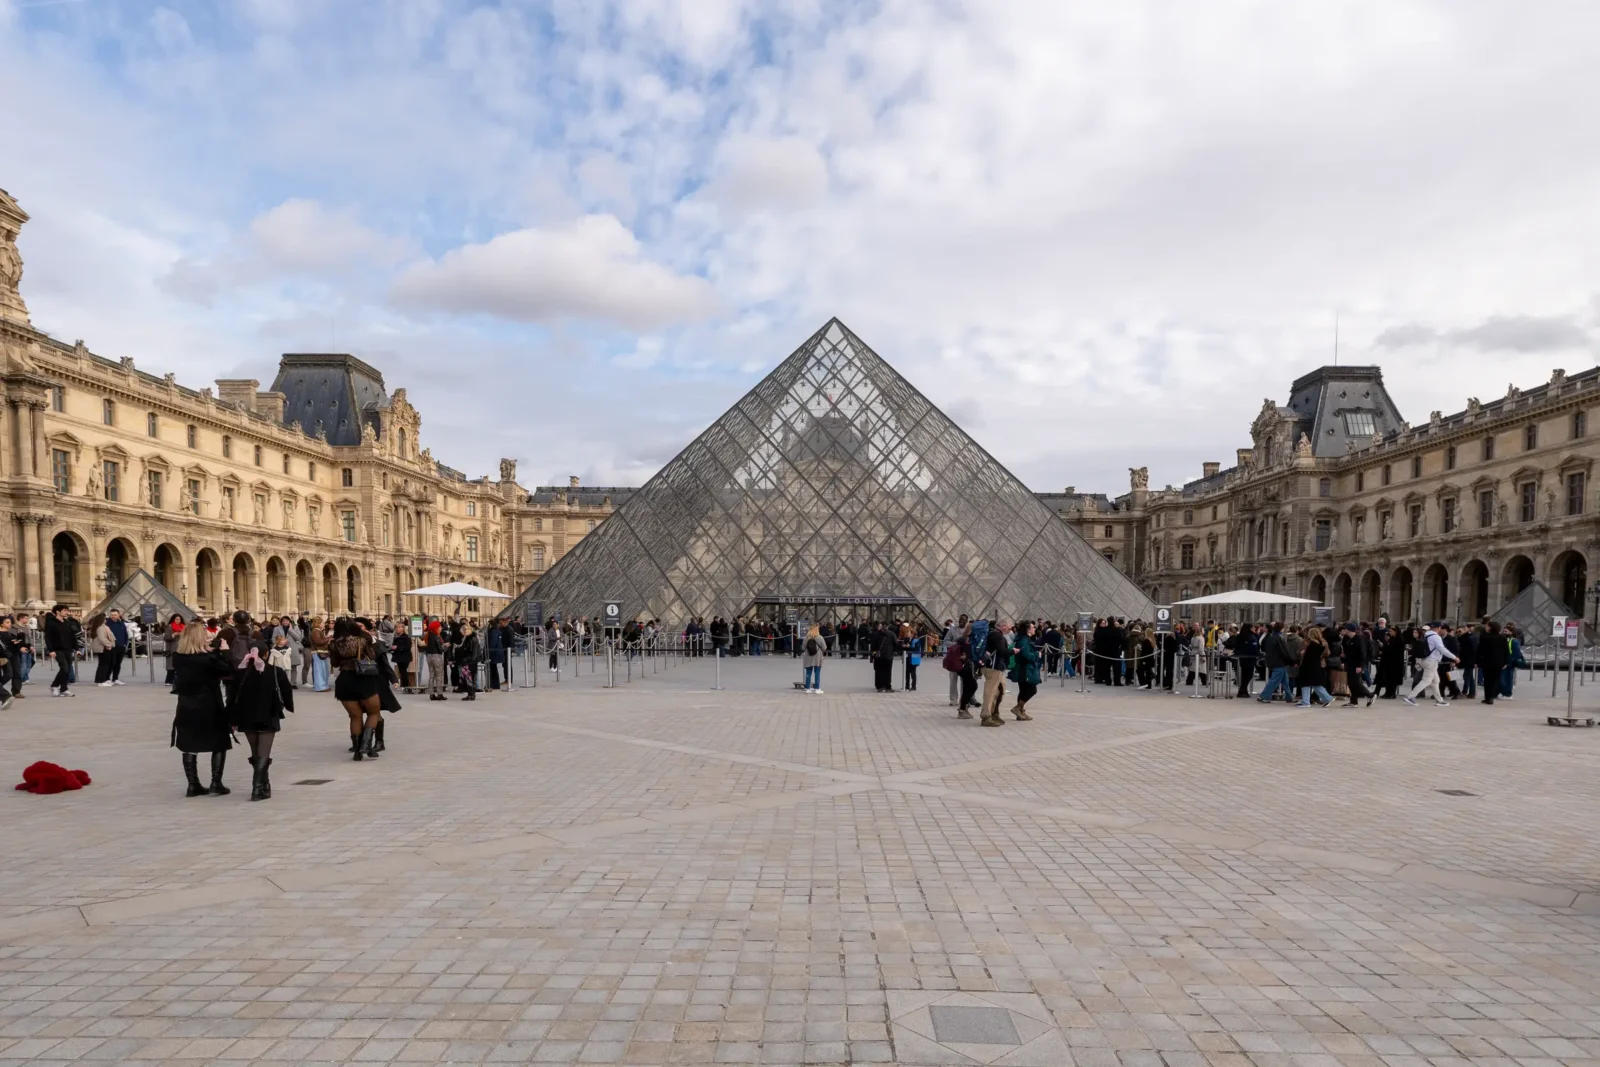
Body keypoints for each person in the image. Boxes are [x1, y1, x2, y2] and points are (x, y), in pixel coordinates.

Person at [171, 621, 234, 797]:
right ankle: (216, 782)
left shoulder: (178, 657)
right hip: (209, 704)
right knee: (219, 741)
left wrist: (210, 652)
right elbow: (228, 670)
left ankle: (193, 784)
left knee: (189, 743)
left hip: (186, 705)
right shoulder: (208, 659)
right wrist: (224, 651)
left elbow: (195, 661)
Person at [231, 622, 293, 800]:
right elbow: (287, 692)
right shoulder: (275, 672)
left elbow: (232, 697)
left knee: (256, 753)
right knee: (263, 754)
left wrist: (232, 719)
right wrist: (288, 706)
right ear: (266, 654)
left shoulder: (241, 673)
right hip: (268, 715)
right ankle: (258, 788)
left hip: (246, 717)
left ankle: (263, 783)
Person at [329, 618, 382, 759]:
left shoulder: (334, 643)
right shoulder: (361, 640)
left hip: (345, 680)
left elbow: (334, 663)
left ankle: (357, 752)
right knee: (373, 713)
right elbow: (371, 656)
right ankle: (366, 745)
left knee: (355, 716)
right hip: (363, 679)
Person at [1401, 621, 1458, 707]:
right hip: (1432, 661)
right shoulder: (1436, 637)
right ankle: (1411, 697)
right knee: (1426, 680)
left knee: (1436, 681)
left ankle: (1439, 700)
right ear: (1438, 628)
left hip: (1424, 659)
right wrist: (1454, 657)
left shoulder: (1425, 635)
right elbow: (1442, 649)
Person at [979, 618, 1012, 726]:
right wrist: (1013, 651)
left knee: (1000, 690)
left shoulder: (991, 633)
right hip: (993, 667)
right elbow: (1002, 652)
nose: (1010, 630)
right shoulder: (998, 636)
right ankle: (986, 716)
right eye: (1009, 628)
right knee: (991, 692)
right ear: (1004, 627)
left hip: (992, 666)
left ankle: (994, 713)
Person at [1007, 620, 1040, 720]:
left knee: (1023, 690)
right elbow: (1026, 655)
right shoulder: (1024, 640)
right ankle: (1018, 708)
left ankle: (1020, 712)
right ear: (1028, 629)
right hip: (1025, 668)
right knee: (1032, 690)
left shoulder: (1022, 639)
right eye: (1033, 627)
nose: (1035, 629)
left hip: (1022, 667)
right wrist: (1036, 654)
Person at [1294, 627, 1334, 707]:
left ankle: (1306, 702)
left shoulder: (1312, 644)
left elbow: (1308, 658)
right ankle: (1327, 698)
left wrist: (1303, 654)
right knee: (1316, 684)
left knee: (1306, 683)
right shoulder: (1321, 643)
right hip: (1317, 665)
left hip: (1309, 667)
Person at [44, 604, 76, 697]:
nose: (67, 612)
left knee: (68, 669)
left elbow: (71, 635)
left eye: (67, 610)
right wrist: (51, 650)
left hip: (68, 648)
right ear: (57, 611)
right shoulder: (51, 623)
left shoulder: (66, 622)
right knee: (64, 668)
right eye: (65, 610)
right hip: (57, 649)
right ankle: (54, 685)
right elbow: (48, 637)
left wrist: (76, 648)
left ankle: (64, 689)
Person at [1339, 623, 1373, 707]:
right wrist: (1343, 659)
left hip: (1356, 665)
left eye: (1345, 629)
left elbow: (1362, 653)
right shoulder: (1348, 638)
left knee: (1356, 682)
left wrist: (1360, 666)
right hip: (1350, 663)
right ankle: (1353, 701)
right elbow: (1348, 652)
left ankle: (1369, 695)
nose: (1344, 630)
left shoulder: (1359, 639)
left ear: (1349, 629)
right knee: (1351, 682)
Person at [1477, 620, 1508, 704]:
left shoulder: (1484, 637)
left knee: (1487, 680)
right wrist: (1505, 662)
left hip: (1487, 662)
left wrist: (1477, 661)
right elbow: (1506, 651)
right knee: (1495, 680)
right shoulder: (1502, 637)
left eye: (1487, 626)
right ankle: (1492, 696)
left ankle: (1488, 697)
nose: (1485, 627)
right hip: (1498, 662)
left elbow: (1480, 650)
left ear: (1490, 627)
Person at [456, 622, 481, 701]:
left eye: (464, 631)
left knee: (470, 678)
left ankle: (471, 694)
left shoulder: (472, 639)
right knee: (469, 679)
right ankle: (471, 694)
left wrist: (470, 660)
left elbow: (474, 652)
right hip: (468, 661)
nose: (463, 633)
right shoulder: (469, 638)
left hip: (469, 662)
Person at [870, 623, 897, 693]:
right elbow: (896, 644)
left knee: (879, 671)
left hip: (878, 655)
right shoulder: (891, 634)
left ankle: (879, 686)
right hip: (889, 655)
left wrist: (872, 656)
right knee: (888, 671)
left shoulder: (876, 634)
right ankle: (888, 686)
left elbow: (873, 645)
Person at [423, 620, 446, 700]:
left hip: (429, 656)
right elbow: (440, 649)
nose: (441, 628)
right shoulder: (437, 636)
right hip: (436, 656)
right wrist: (445, 647)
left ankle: (431, 694)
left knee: (431, 675)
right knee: (439, 675)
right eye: (439, 627)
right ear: (436, 628)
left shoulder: (428, 635)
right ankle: (439, 693)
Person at [309, 616, 332, 692]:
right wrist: (328, 638)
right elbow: (318, 641)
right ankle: (320, 686)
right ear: (318, 623)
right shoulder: (315, 631)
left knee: (323, 670)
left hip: (321, 652)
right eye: (322, 623)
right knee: (319, 670)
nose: (323, 624)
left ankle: (323, 685)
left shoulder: (318, 631)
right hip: (318, 652)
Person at [162, 613, 185, 688]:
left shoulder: (183, 627)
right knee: (171, 667)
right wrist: (173, 635)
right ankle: (168, 680)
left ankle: (178, 680)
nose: (178, 621)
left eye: (179, 619)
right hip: (172, 649)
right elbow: (166, 638)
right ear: (173, 619)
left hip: (181, 649)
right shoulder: (169, 627)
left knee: (180, 666)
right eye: (176, 619)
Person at [801, 624, 825, 693]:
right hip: (817, 657)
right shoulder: (820, 637)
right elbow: (824, 647)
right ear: (817, 630)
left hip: (808, 657)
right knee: (817, 672)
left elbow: (803, 648)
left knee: (808, 672)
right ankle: (817, 688)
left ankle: (807, 688)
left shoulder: (806, 638)